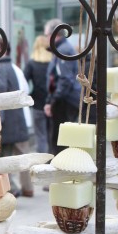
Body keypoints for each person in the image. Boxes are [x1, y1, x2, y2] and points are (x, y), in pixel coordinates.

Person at [0, 38, 33, 196]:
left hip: (6, 121)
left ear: (3, 51)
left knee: (3, 158)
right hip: (17, 118)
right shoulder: (12, 66)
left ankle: (11, 188)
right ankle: (25, 188)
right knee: (19, 156)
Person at [43, 17, 82, 155]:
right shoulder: (62, 49)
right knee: (60, 141)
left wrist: (53, 101)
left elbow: (65, 80)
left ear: (54, 35)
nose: (46, 39)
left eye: (46, 35)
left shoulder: (63, 50)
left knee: (60, 143)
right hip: (65, 100)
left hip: (65, 103)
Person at [23, 34, 51, 153]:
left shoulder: (31, 63)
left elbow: (24, 82)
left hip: (38, 103)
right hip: (53, 102)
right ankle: (53, 158)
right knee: (52, 134)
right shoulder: (53, 62)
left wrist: (29, 96)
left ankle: (42, 160)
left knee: (40, 136)